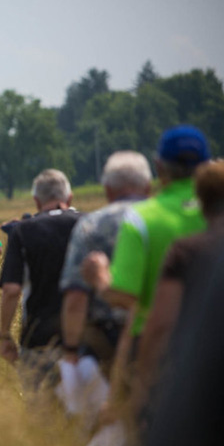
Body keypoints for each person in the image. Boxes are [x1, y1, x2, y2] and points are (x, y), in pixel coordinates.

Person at [82, 124, 210, 425]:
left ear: (159, 167)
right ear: (206, 165)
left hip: (155, 344)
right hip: (218, 341)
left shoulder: (142, 219)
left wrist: (100, 277)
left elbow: (124, 296)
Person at [131, 160, 224, 419]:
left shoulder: (187, 251)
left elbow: (161, 324)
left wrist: (142, 383)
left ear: (201, 199)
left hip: (199, 373)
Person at [59, 151, 152, 377]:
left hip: (104, 342)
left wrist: (70, 350)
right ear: (148, 187)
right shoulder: (164, 220)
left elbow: (76, 295)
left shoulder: (91, 225)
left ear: (108, 190)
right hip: (163, 334)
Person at [0, 169, 80, 392]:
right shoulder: (89, 224)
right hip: (86, 336)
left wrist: (4, 334)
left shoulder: (23, 231)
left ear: (36, 201)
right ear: (69, 198)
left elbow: (12, 290)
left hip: (39, 337)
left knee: (40, 414)